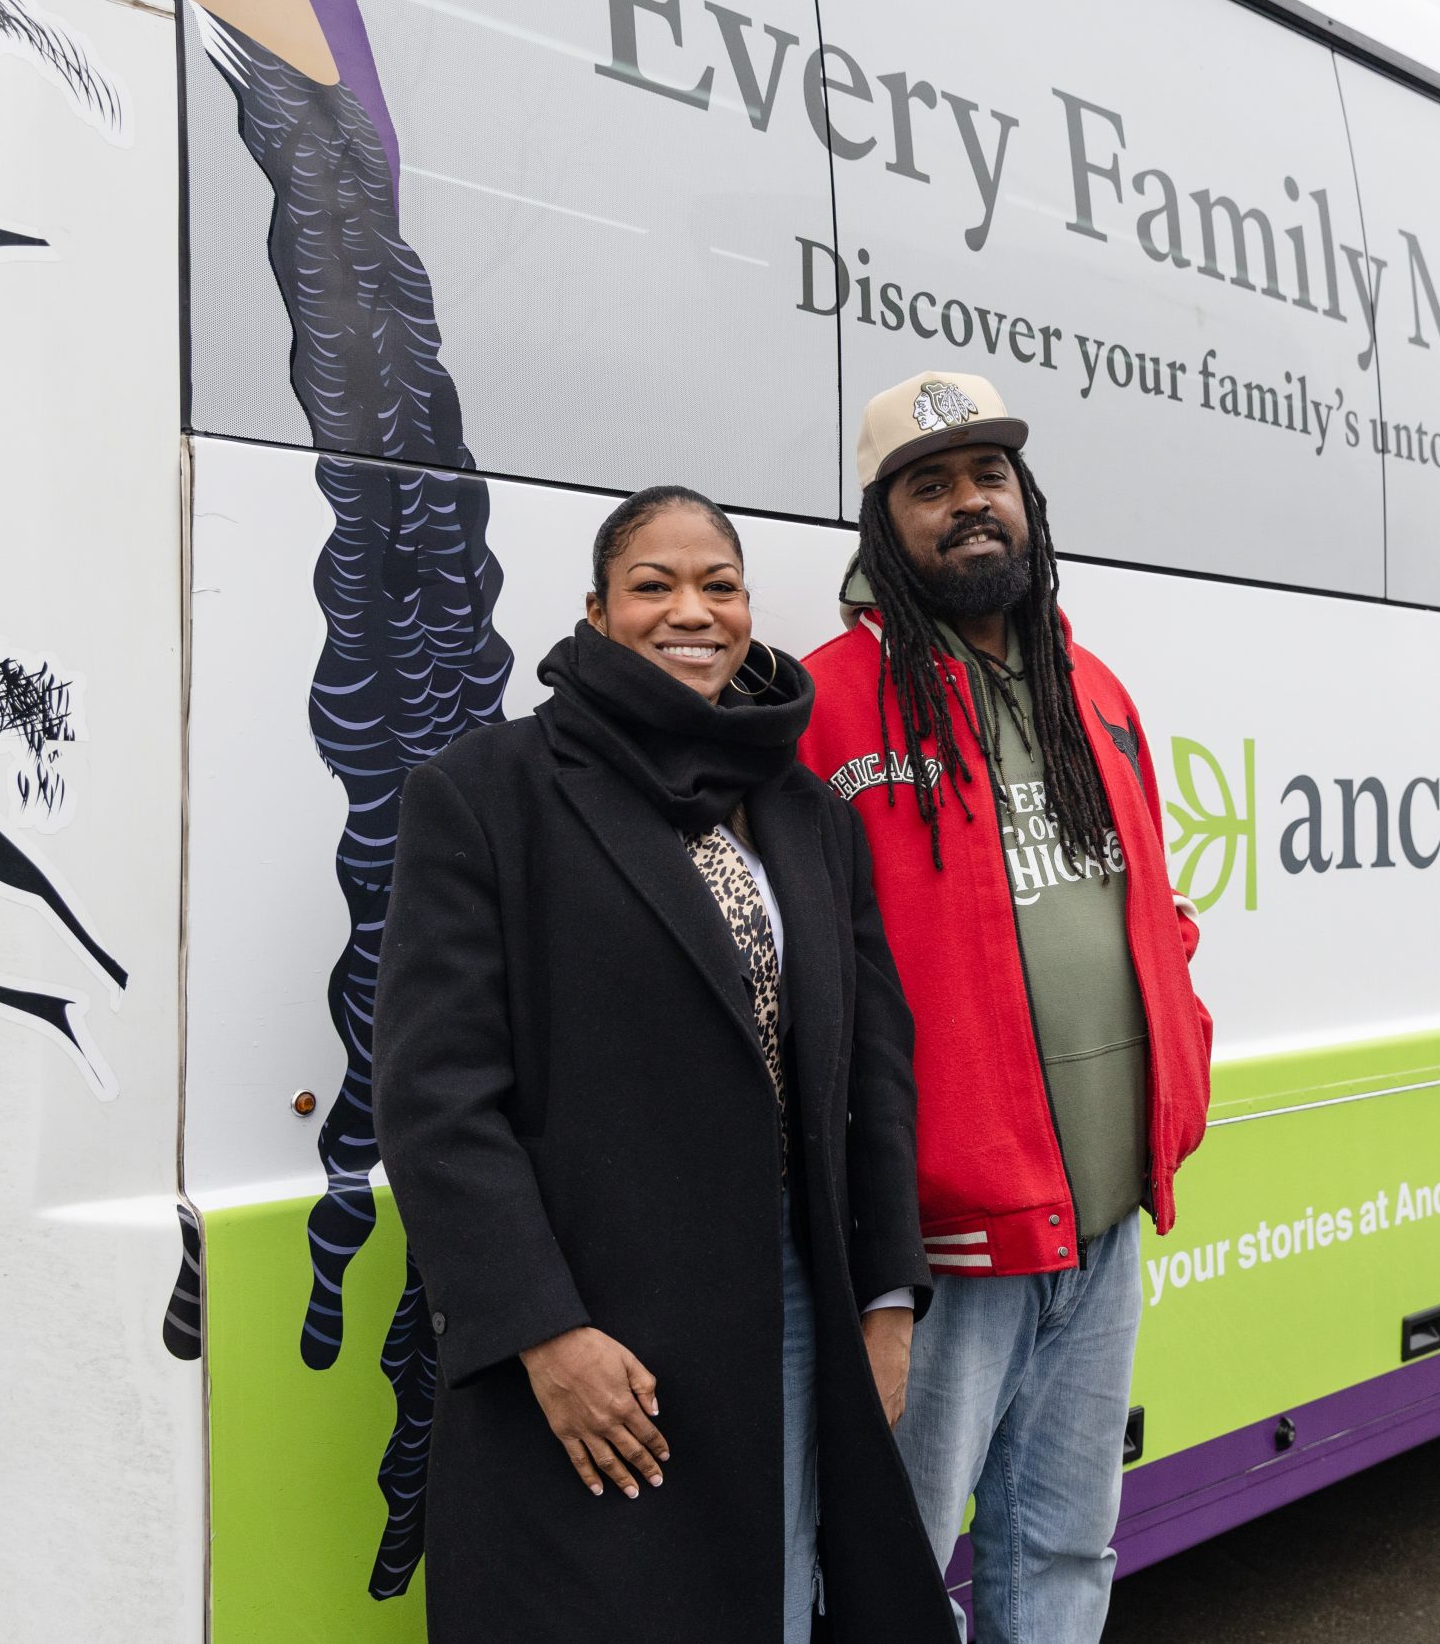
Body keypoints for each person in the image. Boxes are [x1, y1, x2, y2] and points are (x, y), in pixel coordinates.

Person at [373, 486, 955, 1643]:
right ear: (596, 613)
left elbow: (872, 1070)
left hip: (793, 1301)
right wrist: (544, 1333)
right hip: (598, 1327)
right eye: (653, 585)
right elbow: (436, 1100)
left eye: (718, 585)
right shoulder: (486, 795)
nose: (691, 611)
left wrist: (887, 1301)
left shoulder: (807, 813)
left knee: (775, 1603)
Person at [799, 372, 1213, 1642]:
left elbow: (1152, 908)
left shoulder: (1094, 689)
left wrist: (1180, 1056)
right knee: (897, 1564)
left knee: (1065, 1547)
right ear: (883, 524)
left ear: (1026, 498)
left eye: (989, 477)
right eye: (929, 486)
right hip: (942, 1245)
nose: (968, 503)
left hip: (1102, 1220)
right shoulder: (824, 704)